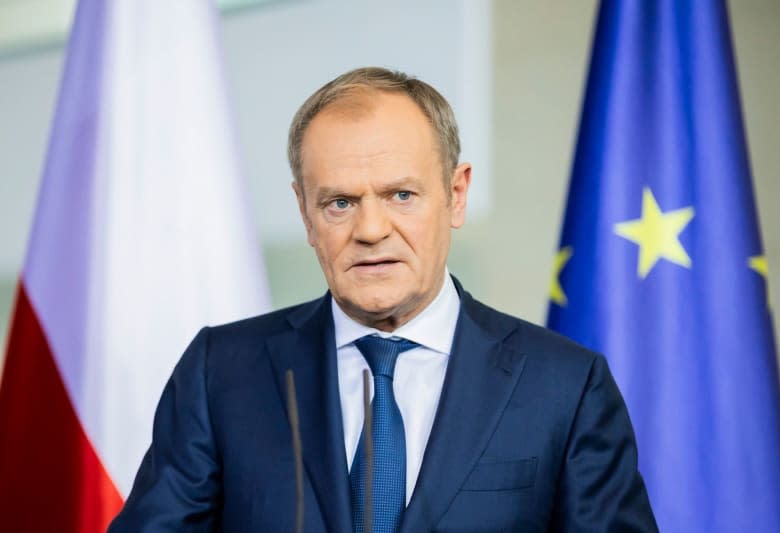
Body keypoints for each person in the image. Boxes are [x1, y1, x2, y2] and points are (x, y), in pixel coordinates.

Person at [110, 67, 657, 532]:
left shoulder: (564, 384)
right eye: (341, 202)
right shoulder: (222, 371)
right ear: (305, 213)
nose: (371, 229)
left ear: (455, 194)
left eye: (401, 194)